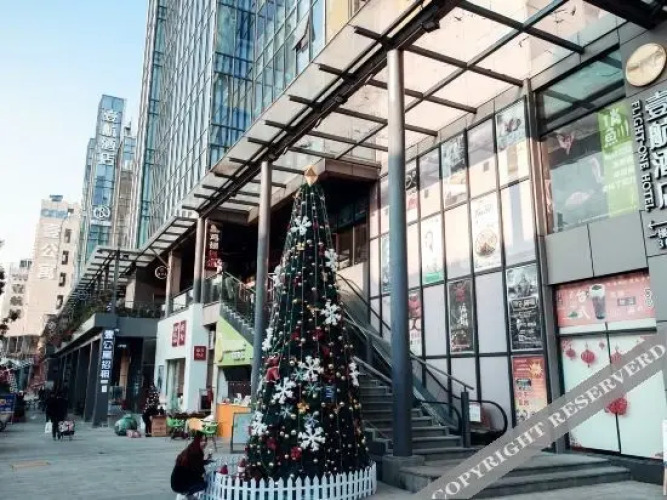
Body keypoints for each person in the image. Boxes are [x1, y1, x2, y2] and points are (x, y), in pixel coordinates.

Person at [170, 433, 212, 498]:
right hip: (179, 485)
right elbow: (198, 469)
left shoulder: (190, 450)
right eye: (202, 441)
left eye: (205, 440)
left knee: (200, 480)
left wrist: (205, 461)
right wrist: (204, 473)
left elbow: (195, 463)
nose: (204, 443)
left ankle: (186, 493)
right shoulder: (194, 453)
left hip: (177, 483)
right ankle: (187, 494)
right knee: (203, 484)